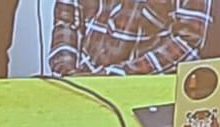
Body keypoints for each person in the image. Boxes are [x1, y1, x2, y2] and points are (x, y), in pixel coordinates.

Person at [50, 0, 210, 75]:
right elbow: (66, 22)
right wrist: (67, 70)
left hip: (143, 89)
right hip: (80, 82)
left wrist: (114, 75)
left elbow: (188, 43)